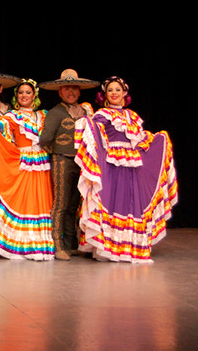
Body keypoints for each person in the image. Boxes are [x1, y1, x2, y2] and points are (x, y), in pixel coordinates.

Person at [74, 76, 178, 263]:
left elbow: (139, 139)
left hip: (132, 165)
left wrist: (156, 140)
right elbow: (97, 136)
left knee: (129, 203)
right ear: (104, 94)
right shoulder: (103, 114)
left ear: (124, 93)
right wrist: (87, 120)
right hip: (112, 165)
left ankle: (128, 246)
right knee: (111, 201)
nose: (114, 93)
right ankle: (106, 248)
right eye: (110, 90)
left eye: (117, 90)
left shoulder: (133, 116)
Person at [0, 79, 55, 261]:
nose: (24, 96)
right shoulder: (12, 116)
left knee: (41, 201)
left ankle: (39, 244)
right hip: (23, 162)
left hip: (43, 164)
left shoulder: (44, 115)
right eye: (20, 93)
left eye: (28, 92)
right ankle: (20, 243)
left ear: (34, 96)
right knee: (24, 202)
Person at [39, 69, 99, 261]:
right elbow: (45, 139)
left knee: (74, 203)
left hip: (81, 163)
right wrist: (57, 152)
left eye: (74, 88)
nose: (70, 92)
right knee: (61, 203)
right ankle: (57, 245)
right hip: (62, 161)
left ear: (79, 91)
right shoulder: (56, 112)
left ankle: (72, 243)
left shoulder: (85, 112)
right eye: (66, 88)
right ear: (60, 92)